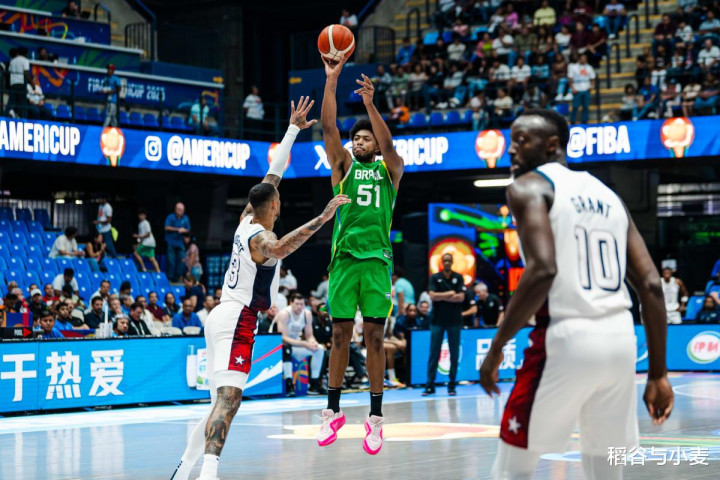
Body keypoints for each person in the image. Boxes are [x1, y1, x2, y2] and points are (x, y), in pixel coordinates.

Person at [478, 109, 673, 480]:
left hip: (566, 338)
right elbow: (650, 284)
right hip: (620, 342)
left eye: (522, 140)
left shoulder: (527, 186)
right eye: (511, 140)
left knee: (512, 466)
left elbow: (542, 269)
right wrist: (658, 375)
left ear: (552, 145)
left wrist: (497, 346)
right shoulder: (609, 196)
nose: (511, 149)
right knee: (605, 467)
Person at [171, 96, 349, 480]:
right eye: (279, 200)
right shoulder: (262, 237)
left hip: (220, 314)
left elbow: (273, 174)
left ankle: (183, 471)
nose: (280, 200)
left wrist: (292, 129)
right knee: (229, 400)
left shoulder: (246, 218)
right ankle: (209, 474)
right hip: (237, 319)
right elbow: (281, 247)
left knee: (217, 405)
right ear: (273, 207)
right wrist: (323, 217)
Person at [317, 55, 405, 455]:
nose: (359, 142)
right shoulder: (343, 166)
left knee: (374, 338)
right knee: (339, 335)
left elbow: (389, 146)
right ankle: (332, 411)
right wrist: (331, 80)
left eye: (365, 138)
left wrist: (370, 105)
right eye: (357, 139)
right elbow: (328, 127)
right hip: (344, 261)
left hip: (377, 262)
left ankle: (375, 418)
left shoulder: (390, 170)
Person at [423, 253, 466, 396]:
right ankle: (430, 385)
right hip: (437, 321)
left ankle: (452, 385)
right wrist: (450, 293)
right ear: (442, 262)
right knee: (434, 353)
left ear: (452, 262)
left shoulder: (458, 277)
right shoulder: (435, 277)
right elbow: (432, 296)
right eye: (445, 261)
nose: (447, 263)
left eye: (449, 261)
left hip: (454, 321)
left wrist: (442, 296)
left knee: (454, 353)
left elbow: (460, 298)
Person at [277, 293, 327, 396]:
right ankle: (289, 385)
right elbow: (283, 338)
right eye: (297, 304)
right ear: (291, 303)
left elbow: (309, 335)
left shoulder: (306, 314)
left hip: (297, 345)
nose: (300, 307)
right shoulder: (284, 314)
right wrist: (304, 343)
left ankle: (314, 383)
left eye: (302, 304)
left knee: (319, 349)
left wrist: (312, 342)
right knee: (286, 348)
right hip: (279, 347)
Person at [165, 202, 191, 282]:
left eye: (182, 210)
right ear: (176, 210)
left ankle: (177, 278)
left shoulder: (185, 218)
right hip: (171, 242)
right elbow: (166, 227)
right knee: (171, 262)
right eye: (180, 210)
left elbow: (188, 229)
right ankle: (169, 278)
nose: (181, 211)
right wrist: (177, 229)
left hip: (180, 243)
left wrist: (184, 231)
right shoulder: (171, 217)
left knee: (182, 261)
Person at [568, 53, 595, 124]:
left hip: (586, 89)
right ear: (580, 59)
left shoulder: (589, 67)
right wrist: (573, 88)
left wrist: (592, 86)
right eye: (583, 58)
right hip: (577, 90)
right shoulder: (574, 67)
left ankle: (584, 121)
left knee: (586, 107)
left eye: (585, 58)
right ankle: (573, 121)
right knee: (575, 106)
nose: (584, 60)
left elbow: (593, 78)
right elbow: (570, 78)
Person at [133, 208, 161, 273]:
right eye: (140, 215)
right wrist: (138, 243)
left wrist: (138, 236)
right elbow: (141, 237)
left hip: (148, 243)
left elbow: (148, 234)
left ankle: (143, 268)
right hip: (149, 243)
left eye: (143, 215)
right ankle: (158, 272)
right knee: (152, 258)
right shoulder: (140, 224)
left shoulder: (146, 223)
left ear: (145, 216)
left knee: (135, 253)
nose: (141, 216)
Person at [6, 47, 31, 118]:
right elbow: (26, 72)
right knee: (22, 104)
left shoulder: (12, 61)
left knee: (12, 102)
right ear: (26, 54)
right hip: (21, 84)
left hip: (13, 84)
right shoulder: (25, 60)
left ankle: (5, 115)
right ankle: (23, 119)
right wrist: (32, 84)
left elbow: (9, 72)